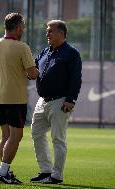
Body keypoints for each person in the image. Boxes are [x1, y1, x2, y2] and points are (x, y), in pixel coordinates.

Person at [0, 13, 39, 184]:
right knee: (16, 136)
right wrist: (36, 71)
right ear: (17, 26)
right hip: (15, 98)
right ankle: (2, 172)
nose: (24, 28)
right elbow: (32, 73)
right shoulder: (22, 47)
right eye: (23, 25)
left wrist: (0, 85)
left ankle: (5, 172)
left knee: (5, 136)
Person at [30, 20, 82, 184]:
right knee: (36, 134)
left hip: (60, 101)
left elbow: (76, 78)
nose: (47, 34)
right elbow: (33, 69)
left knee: (58, 139)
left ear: (61, 33)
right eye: (47, 31)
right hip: (42, 101)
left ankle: (57, 176)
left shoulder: (71, 53)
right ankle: (46, 171)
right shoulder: (45, 51)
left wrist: (71, 99)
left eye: (50, 31)